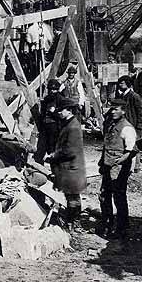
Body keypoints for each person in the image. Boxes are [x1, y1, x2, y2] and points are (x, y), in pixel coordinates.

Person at [98, 100, 138, 239]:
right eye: (111, 109)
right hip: (107, 165)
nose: (113, 111)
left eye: (116, 109)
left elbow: (131, 151)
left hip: (119, 168)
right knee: (104, 195)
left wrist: (118, 163)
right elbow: (106, 146)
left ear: (124, 111)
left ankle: (122, 228)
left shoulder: (127, 128)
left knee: (119, 197)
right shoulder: (111, 125)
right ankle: (107, 224)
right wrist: (102, 163)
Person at [47, 95, 86, 231]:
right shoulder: (69, 123)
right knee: (72, 195)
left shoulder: (73, 127)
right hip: (71, 167)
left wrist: (54, 155)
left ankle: (74, 222)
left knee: (73, 196)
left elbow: (70, 150)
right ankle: (74, 222)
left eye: (61, 110)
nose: (59, 112)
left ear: (69, 110)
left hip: (72, 167)